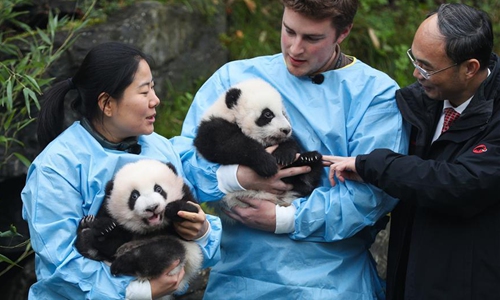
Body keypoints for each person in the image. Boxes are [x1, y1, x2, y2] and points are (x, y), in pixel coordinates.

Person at [172, 0, 408, 298]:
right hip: (239, 279)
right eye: (288, 31)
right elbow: (182, 169)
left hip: (330, 283)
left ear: (343, 32)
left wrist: (286, 218)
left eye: (312, 38)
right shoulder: (236, 79)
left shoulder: (375, 96)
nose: (295, 49)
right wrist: (238, 177)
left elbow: (373, 194)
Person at [21, 42, 222, 299]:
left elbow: (196, 238)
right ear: (107, 103)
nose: (155, 100)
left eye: (153, 87)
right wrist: (135, 292)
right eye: (144, 91)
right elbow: (61, 264)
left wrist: (201, 232)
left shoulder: (158, 147)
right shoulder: (56, 169)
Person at [326, 3, 500, 300]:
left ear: (469, 68)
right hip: (409, 275)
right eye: (414, 59)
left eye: (427, 67)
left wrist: (373, 165)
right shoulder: (420, 103)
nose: (415, 73)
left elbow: (459, 183)